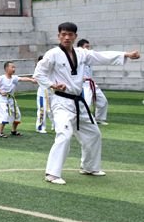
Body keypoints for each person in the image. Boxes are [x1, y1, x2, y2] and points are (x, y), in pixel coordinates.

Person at [34, 22, 139, 185]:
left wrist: (126, 54)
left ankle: (89, 167)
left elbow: (101, 56)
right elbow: (39, 74)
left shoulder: (82, 53)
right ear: (58, 36)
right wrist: (52, 85)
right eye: (63, 34)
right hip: (61, 102)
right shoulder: (52, 54)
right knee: (64, 134)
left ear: (75, 36)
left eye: (70, 34)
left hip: (79, 102)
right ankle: (52, 173)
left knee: (93, 134)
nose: (66, 37)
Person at [0, 61, 36, 138]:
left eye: (14, 67)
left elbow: (22, 79)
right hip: (3, 100)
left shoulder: (14, 78)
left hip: (11, 99)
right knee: (4, 115)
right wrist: (0, 91)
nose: (14, 69)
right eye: (12, 67)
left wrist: (31, 80)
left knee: (17, 115)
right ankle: (0, 132)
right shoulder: (2, 78)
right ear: (6, 68)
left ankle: (13, 131)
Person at [78, 39, 110, 125]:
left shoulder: (89, 58)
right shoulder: (76, 58)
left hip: (91, 83)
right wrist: (80, 78)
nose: (88, 48)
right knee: (86, 103)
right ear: (81, 48)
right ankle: (83, 121)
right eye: (86, 47)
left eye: (89, 46)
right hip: (83, 84)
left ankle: (99, 118)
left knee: (103, 101)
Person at [34, 56, 54, 134]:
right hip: (43, 93)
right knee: (42, 110)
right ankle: (40, 127)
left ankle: (55, 125)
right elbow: (36, 79)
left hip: (52, 92)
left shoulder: (51, 70)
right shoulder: (39, 71)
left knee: (53, 110)